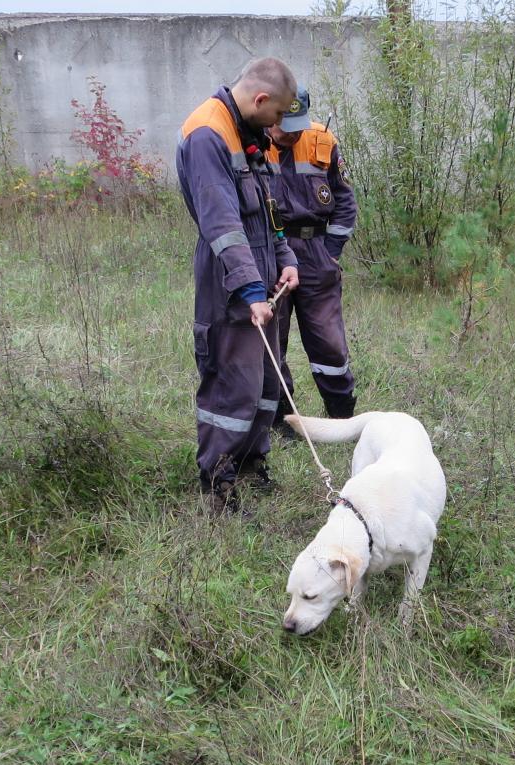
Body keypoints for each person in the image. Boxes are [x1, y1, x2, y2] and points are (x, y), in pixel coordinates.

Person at [176, 57, 301, 514]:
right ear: (261, 99)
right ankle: (218, 480)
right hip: (228, 281)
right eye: (281, 114)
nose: (281, 125)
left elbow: (269, 212)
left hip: (263, 276)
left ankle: (251, 464)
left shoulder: (252, 135)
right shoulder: (208, 132)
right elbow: (222, 223)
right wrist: (250, 290)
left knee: (265, 380)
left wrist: (285, 259)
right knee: (232, 384)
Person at [265, 86, 359, 432]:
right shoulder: (250, 144)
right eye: (283, 124)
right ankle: (281, 421)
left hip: (316, 254)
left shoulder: (323, 141)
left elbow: (346, 202)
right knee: (273, 343)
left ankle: (341, 419)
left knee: (329, 344)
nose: (291, 133)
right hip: (273, 254)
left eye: (297, 124)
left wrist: (330, 253)